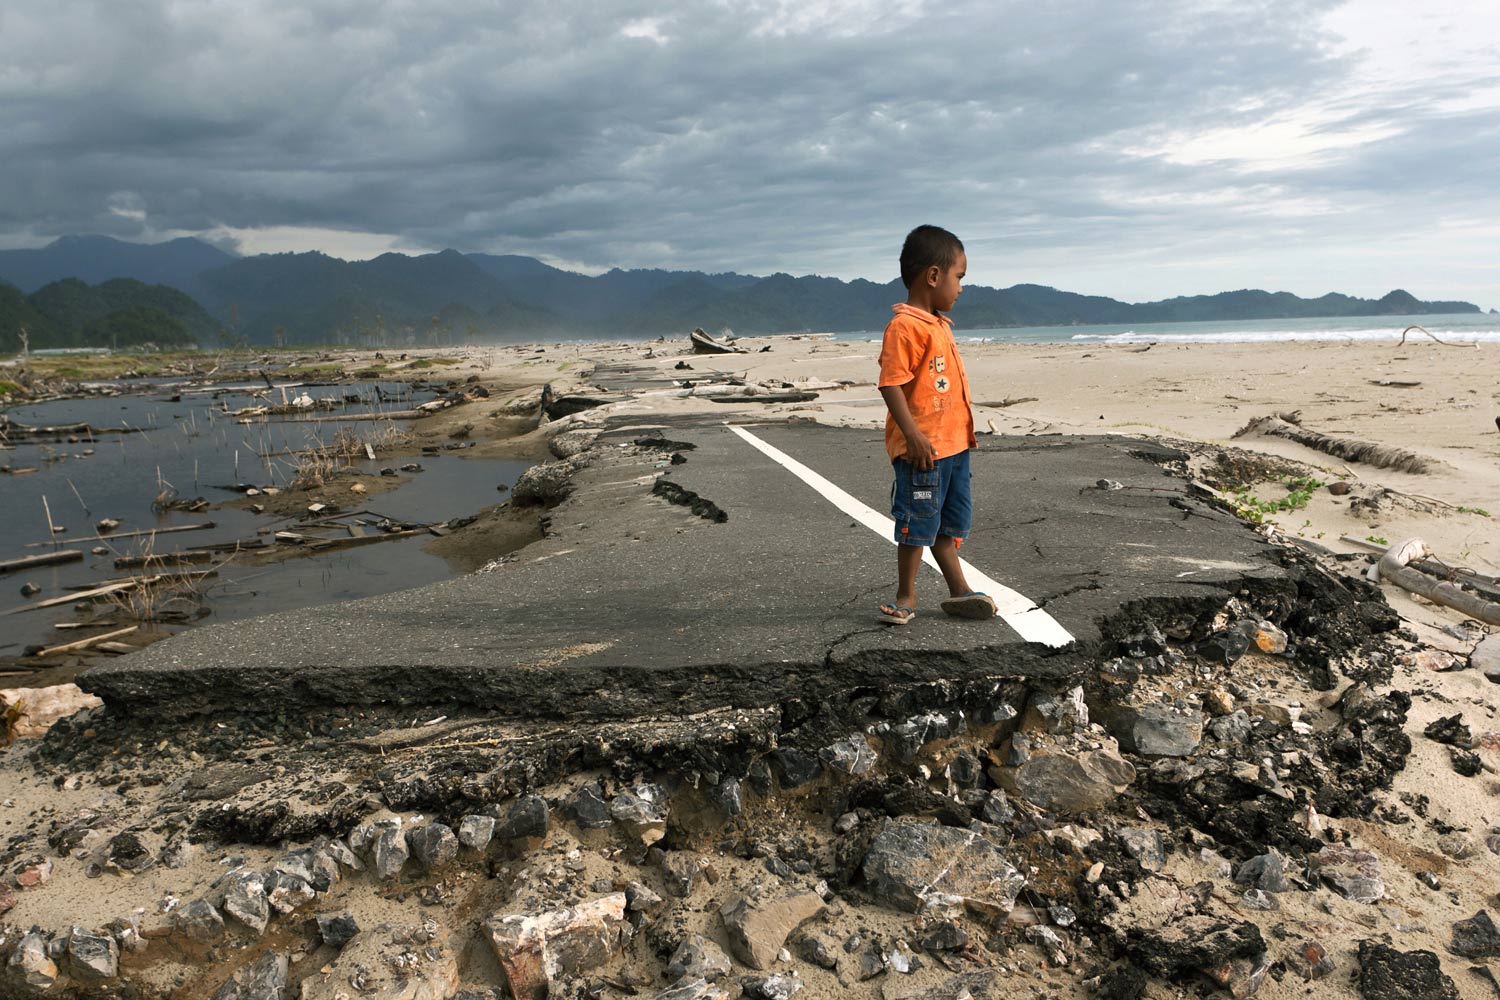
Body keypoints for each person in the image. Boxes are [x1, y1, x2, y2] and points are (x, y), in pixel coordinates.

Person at [875, 225, 996, 625]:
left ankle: (959, 590)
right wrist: (913, 435)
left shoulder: (939, 324)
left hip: (955, 447)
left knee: (948, 525)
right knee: (917, 523)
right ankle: (905, 596)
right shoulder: (904, 327)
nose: (961, 287)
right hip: (923, 450)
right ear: (933, 276)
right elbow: (891, 383)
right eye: (959, 277)